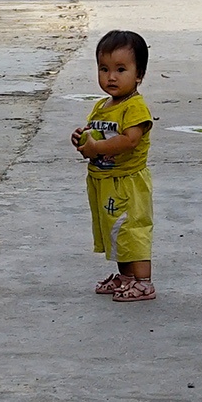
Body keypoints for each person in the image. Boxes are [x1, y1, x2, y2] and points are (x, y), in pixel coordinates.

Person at [72, 29, 156, 303]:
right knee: (116, 231)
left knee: (132, 229)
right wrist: (82, 138)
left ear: (139, 74)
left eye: (121, 70)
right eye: (104, 69)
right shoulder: (102, 106)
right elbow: (96, 134)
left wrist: (96, 148)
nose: (111, 77)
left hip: (127, 183)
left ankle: (143, 282)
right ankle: (126, 277)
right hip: (105, 180)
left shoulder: (135, 108)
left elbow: (130, 140)